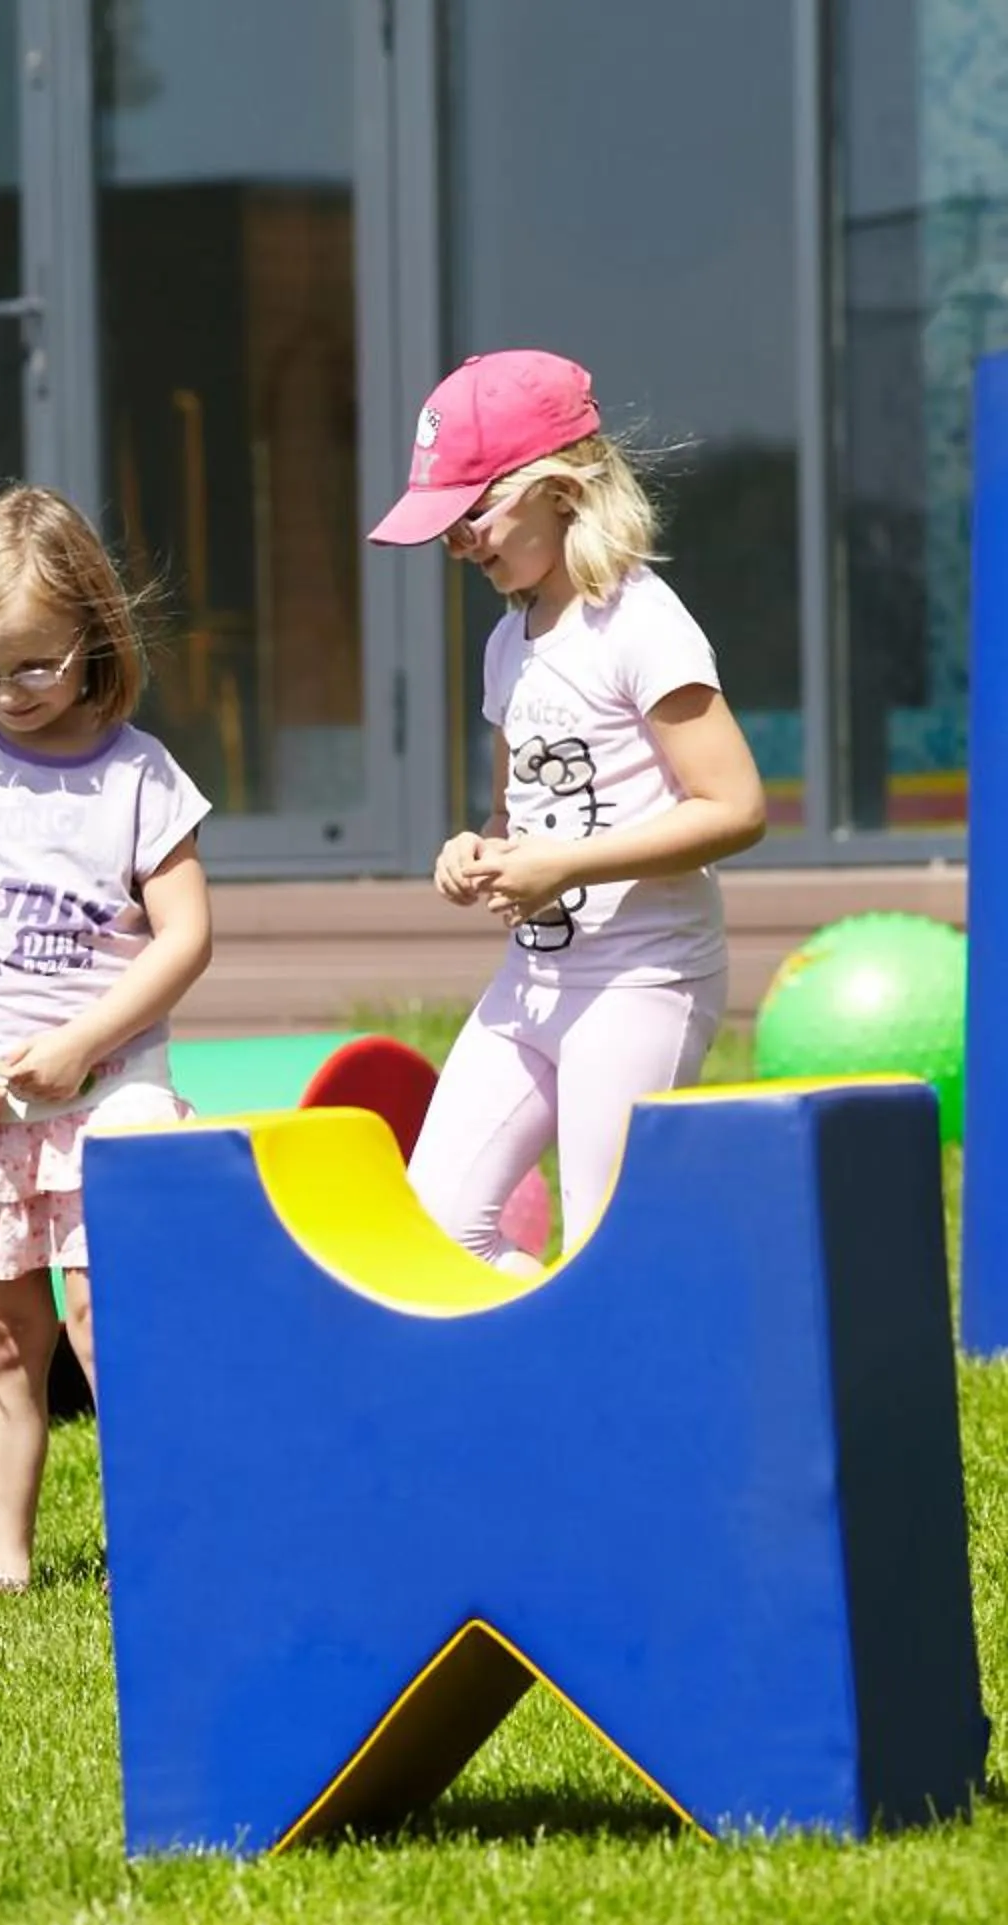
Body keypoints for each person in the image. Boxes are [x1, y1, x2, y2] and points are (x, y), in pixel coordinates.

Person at [0, 485, 214, 1596]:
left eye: (33, 666)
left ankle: (163, 1546)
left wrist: (86, 1041)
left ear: (92, 640)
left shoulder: (139, 776)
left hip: (110, 1094)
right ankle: (5, 1572)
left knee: (105, 1321)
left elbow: (187, 935)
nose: (6, 692)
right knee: (6, 1341)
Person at [368, 350, 766, 1267]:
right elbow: (522, 815)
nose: (459, 544)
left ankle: (642, 1393)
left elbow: (736, 806)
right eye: (445, 529)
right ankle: (549, 1375)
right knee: (434, 1231)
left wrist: (564, 868)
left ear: (560, 488)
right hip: (533, 980)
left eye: (473, 517)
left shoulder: (639, 622)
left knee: (606, 1251)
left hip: (642, 980)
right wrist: (479, 851)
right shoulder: (510, 641)